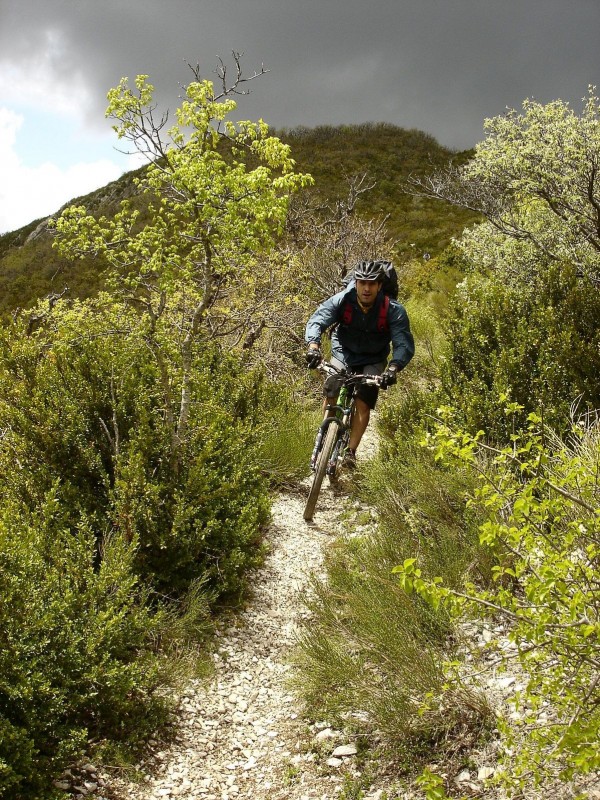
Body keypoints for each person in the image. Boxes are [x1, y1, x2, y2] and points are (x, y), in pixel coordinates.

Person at [304, 259, 415, 468]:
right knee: (333, 388)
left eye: (372, 283)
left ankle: (350, 453)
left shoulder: (393, 310)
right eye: (362, 282)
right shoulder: (342, 300)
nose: (366, 288)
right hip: (343, 350)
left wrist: (393, 367)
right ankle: (325, 436)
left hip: (373, 356)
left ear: (380, 286)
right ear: (355, 283)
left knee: (364, 399)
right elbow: (318, 319)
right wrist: (313, 347)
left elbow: (402, 342)